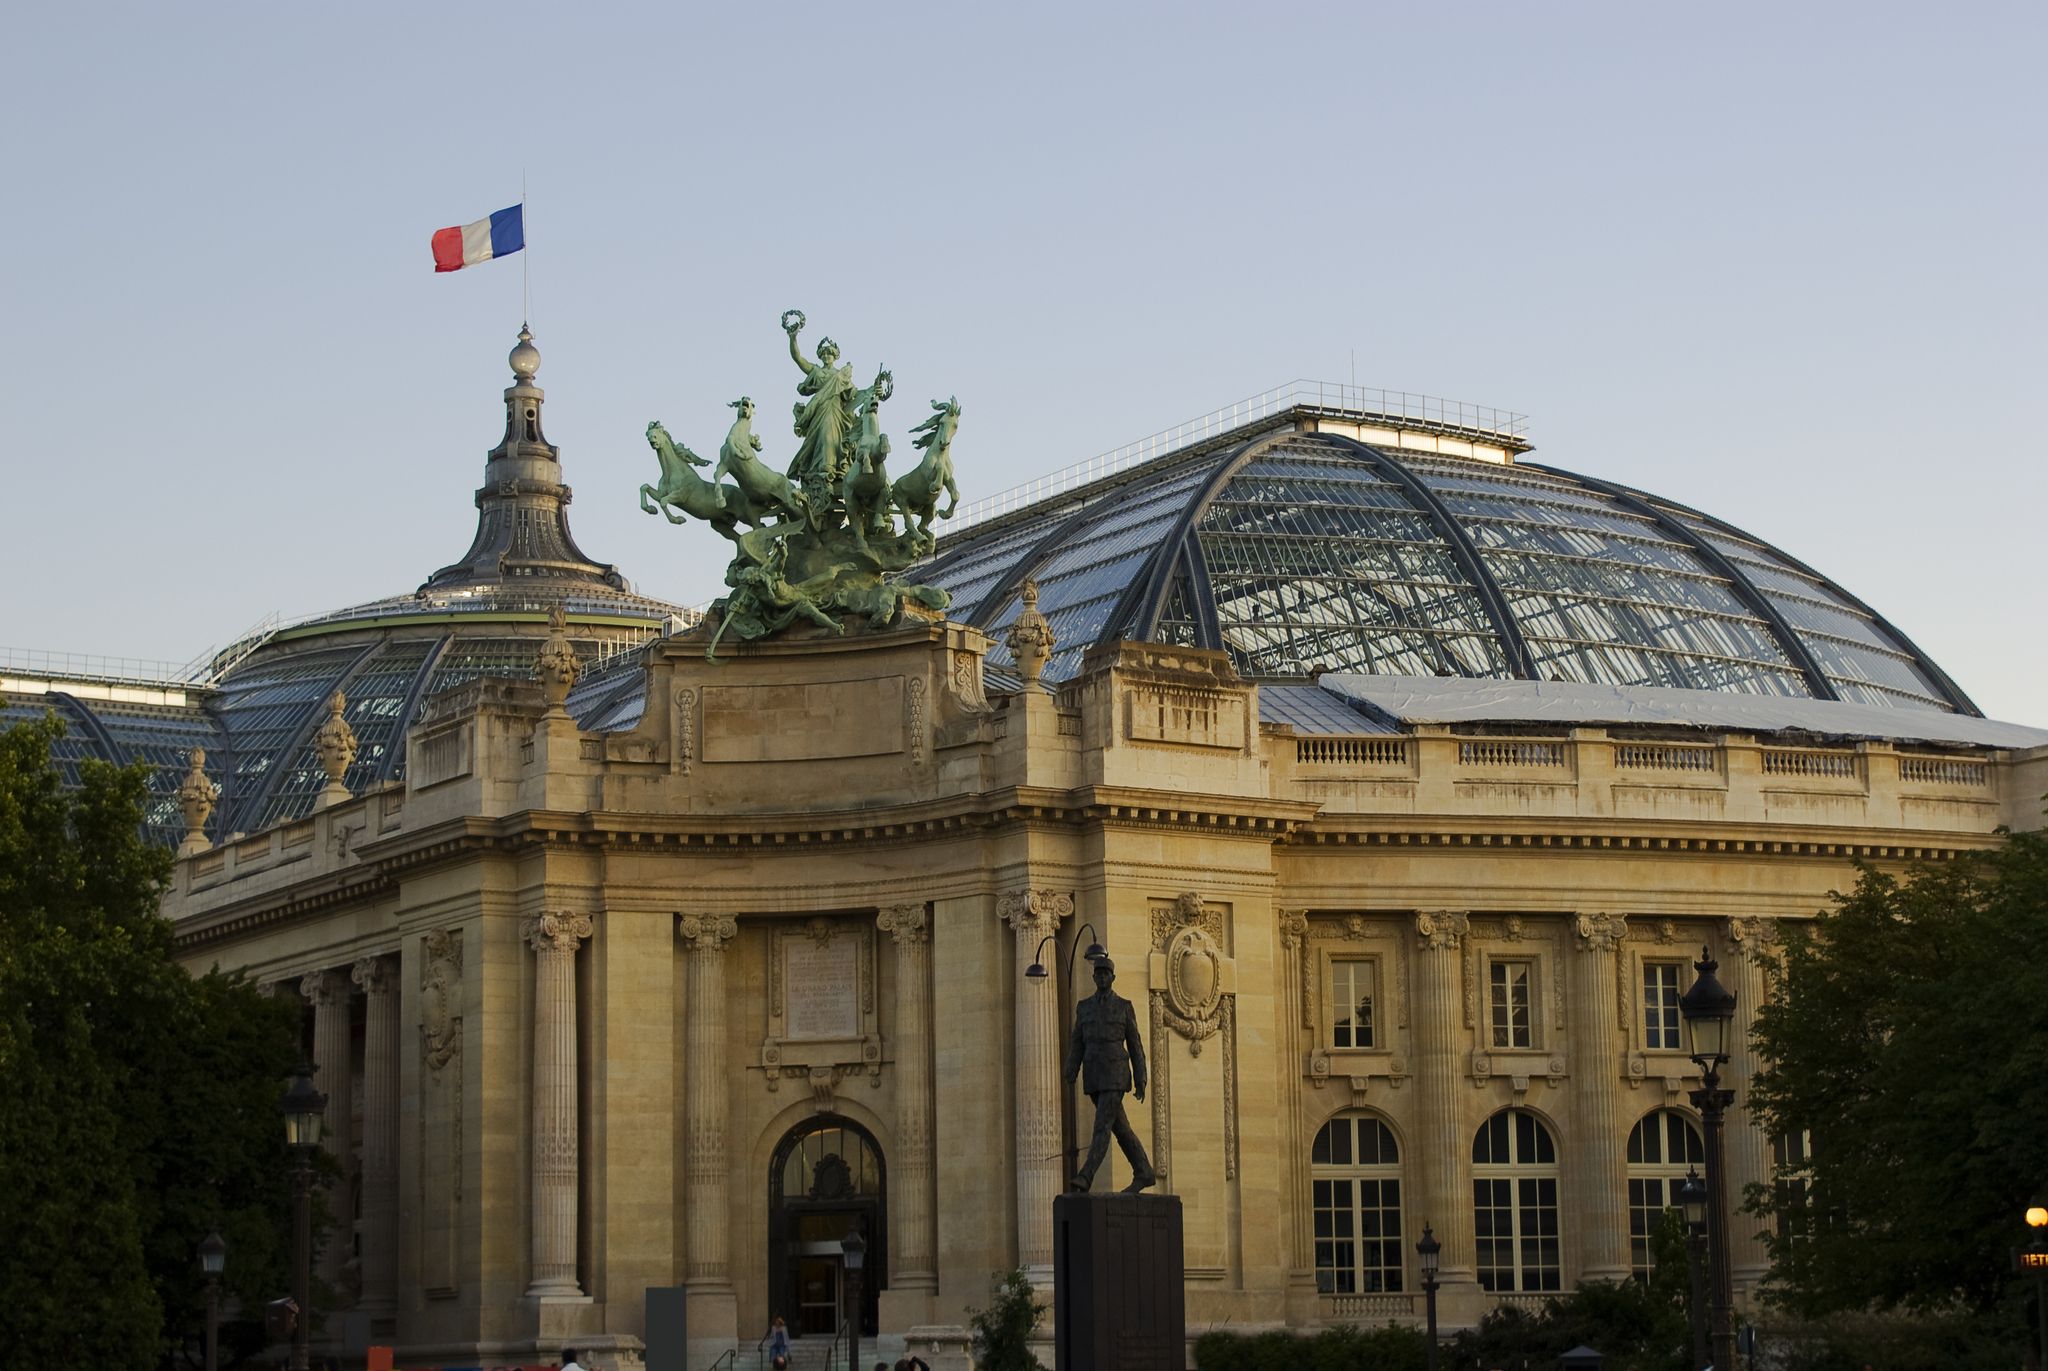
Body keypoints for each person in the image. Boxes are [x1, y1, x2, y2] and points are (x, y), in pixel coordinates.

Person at [1062, 955, 1158, 1193]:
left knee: (1102, 1126)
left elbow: (1135, 1045)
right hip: (1094, 1075)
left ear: (1113, 978)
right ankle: (1144, 1171)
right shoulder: (1083, 1008)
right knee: (1120, 1128)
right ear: (1094, 977)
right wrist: (1071, 1069)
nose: (1102, 977)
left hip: (1116, 1074)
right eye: (1099, 973)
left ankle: (1086, 1174)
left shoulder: (1124, 1006)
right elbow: (1077, 1042)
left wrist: (1141, 1079)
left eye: (1106, 974)